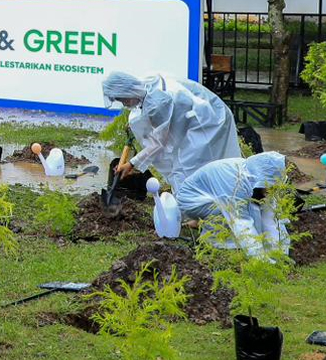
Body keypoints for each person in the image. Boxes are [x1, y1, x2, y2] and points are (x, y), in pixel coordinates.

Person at [102, 71, 241, 186]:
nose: (124, 104)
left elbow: (158, 144)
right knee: (192, 169)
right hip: (201, 113)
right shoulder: (146, 84)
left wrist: (132, 164)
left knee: (189, 170)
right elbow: (147, 110)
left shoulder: (158, 103)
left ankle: (198, 207)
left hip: (208, 122)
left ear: (128, 91)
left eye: (123, 100)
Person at [176, 152, 291, 257]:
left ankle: (200, 222)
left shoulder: (258, 176)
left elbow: (271, 218)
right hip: (193, 199)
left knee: (254, 213)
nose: (272, 191)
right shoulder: (236, 184)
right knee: (230, 218)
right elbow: (242, 224)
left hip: (213, 192)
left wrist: (280, 252)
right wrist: (262, 259)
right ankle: (214, 242)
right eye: (271, 186)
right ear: (263, 179)